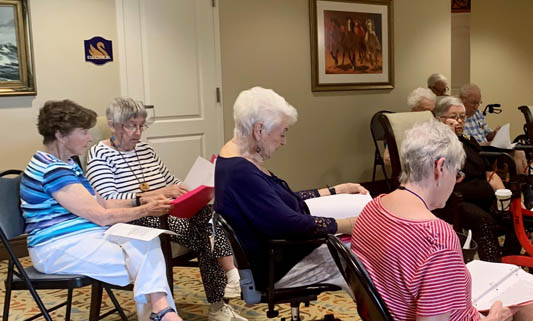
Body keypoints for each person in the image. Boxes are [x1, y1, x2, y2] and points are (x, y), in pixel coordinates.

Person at [352, 120, 533, 321]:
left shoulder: (373, 208)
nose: (456, 182)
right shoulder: (436, 237)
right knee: (523, 300)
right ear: (440, 167)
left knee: (521, 299)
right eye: (458, 174)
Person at [85, 97, 244, 321]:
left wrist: (191, 191)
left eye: (142, 126)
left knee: (209, 214)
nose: (138, 133)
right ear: (113, 125)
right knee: (205, 232)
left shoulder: (146, 151)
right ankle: (222, 295)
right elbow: (109, 201)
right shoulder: (99, 155)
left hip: (167, 212)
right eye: (131, 126)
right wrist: (158, 195)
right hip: (134, 220)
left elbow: (172, 182)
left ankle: (226, 287)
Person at [21, 100, 181, 321]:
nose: (89, 138)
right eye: (84, 131)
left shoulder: (67, 163)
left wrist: (140, 202)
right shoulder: (52, 169)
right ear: (60, 135)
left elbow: (103, 203)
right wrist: (146, 211)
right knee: (145, 267)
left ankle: (161, 311)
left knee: (148, 242)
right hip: (56, 247)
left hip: (86, 236)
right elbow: (101, 216)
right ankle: (163, 312)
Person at [214, 87, 367, 292]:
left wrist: (334, 190)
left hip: (282, 253)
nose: (284, 142)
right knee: (369, 257)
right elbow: (289, 223)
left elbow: (280, 200)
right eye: (282, 133)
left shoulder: (238, 157)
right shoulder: (241, 171)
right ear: (259, 130)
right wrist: (350, 224)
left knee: (365, 249)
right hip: (276, 265)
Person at [433, 96, 513, 262]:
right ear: (438, 119)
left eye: (462, 116)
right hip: (454, 200)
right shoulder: (435, 143)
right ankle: (492, 269)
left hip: (483, 196)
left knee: (513, 217)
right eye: (453, 117)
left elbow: (488, 173)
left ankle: (507, 261)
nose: (459, 121)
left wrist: (503, 195)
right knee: (484, 222)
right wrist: (449, 137)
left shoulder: (469, 141)